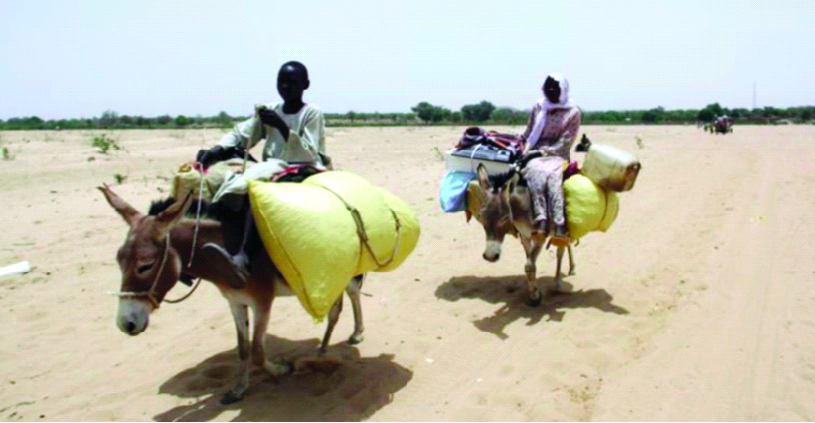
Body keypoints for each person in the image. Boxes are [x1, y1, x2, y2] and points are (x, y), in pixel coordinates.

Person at [196, 61, 328, 288]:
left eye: (293, 82)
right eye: (282, 82)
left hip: (303, 165)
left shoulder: (311, 113)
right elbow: (243, 133)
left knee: (250, 189)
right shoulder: (270, 110)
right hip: (273, 165)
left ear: (305, 85)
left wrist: (282, 127)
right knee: (224, 182)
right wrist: (216, 150)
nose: (286, 87)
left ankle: (243, 255)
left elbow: (308, 151)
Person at [519, 73, 581, 247]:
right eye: (547, 90)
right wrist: (520, 143)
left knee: (552, 177)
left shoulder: (573, 112)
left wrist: (544, 152)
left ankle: (559, 225)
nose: (549, 93)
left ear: (562, 90)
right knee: (533, 173)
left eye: (554, 90)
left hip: (557, 154)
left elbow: (566, 141)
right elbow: (529, 132)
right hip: (534, 152)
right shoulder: (539, 107)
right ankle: (541, 220)